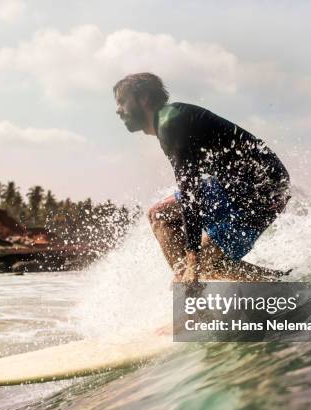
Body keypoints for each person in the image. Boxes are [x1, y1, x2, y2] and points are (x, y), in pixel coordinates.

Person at [113, 72, 291, 285]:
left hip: (263, 190)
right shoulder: (170, 120)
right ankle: (277, 282)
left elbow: (190, 193)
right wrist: (190, 263)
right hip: (235, 186)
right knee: (159, 216)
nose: (118, 110)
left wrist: (193, 259)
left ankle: (191, 291)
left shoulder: (171, 122)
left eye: (122, 101)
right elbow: (192, 190)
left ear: (143, 98)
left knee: (203, 264)